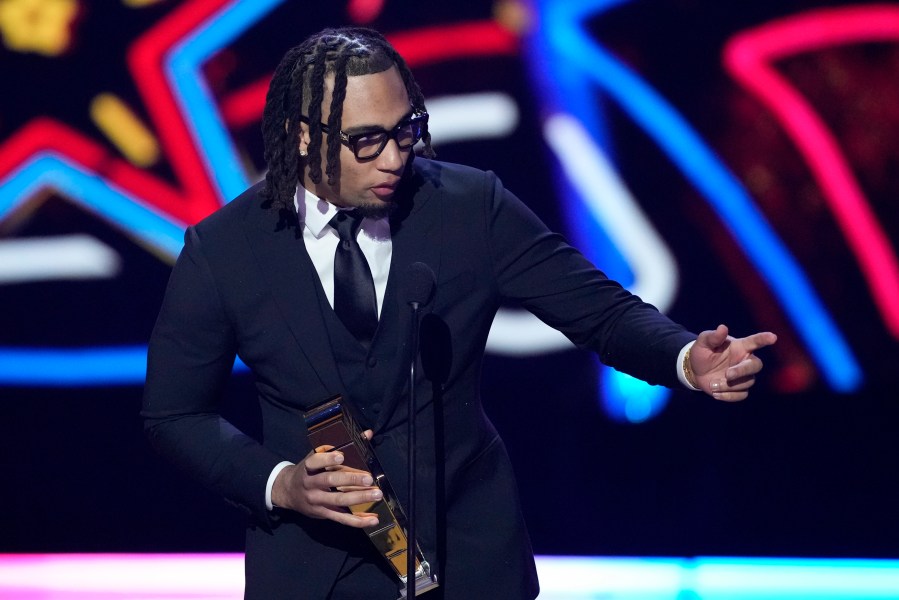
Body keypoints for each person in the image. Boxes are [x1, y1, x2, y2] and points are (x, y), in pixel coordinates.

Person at [141, 26, 777, 600]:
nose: (395, 158)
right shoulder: (225, 250)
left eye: (405, 130)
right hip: (316, 569)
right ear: (303, 137)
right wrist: (280, 483)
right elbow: (175, 414)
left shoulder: (471, 207)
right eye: (366, 141)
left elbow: (599, 311)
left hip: (469, 558)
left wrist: (684, 357)